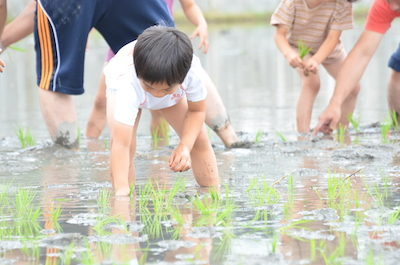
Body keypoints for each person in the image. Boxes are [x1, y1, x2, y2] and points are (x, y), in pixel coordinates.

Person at [86, 0, 243, 148]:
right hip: (123, 48)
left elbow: (189, 5)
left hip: (164, 52)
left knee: (160, 106)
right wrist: (85, 31)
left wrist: (201, 23)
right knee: (102, 101)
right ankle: (91, 146)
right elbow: (99, 9)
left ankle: (160, 151)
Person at [105, 26, 220, 196]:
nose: (157, 95)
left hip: (169, 93)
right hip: (127, 88)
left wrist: (185, 146)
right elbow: (121, 145)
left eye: (165, 90)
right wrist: (121, 196)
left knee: (198, 138)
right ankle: (123, 196)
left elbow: (196, 112)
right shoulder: (127, 79)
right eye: (150, 87)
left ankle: (212, 194)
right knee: (125, 144)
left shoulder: (191, 70)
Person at [271, 0, 360, 134]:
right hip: (299, 47)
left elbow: (332, 38)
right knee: (312, 82)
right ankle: (303, 136)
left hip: (330, 49)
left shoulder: (342, 4)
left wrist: (317, 59)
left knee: (352, 86)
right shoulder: (292, 2)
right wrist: (288, 53)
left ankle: (341, 134)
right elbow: (280, 34)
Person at [313, 0, 400, 135]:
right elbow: (362, 54)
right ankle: (398, 129)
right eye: (389, 1)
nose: (394, 7)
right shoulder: (384, 5)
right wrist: (335, 103)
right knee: (398, 70)